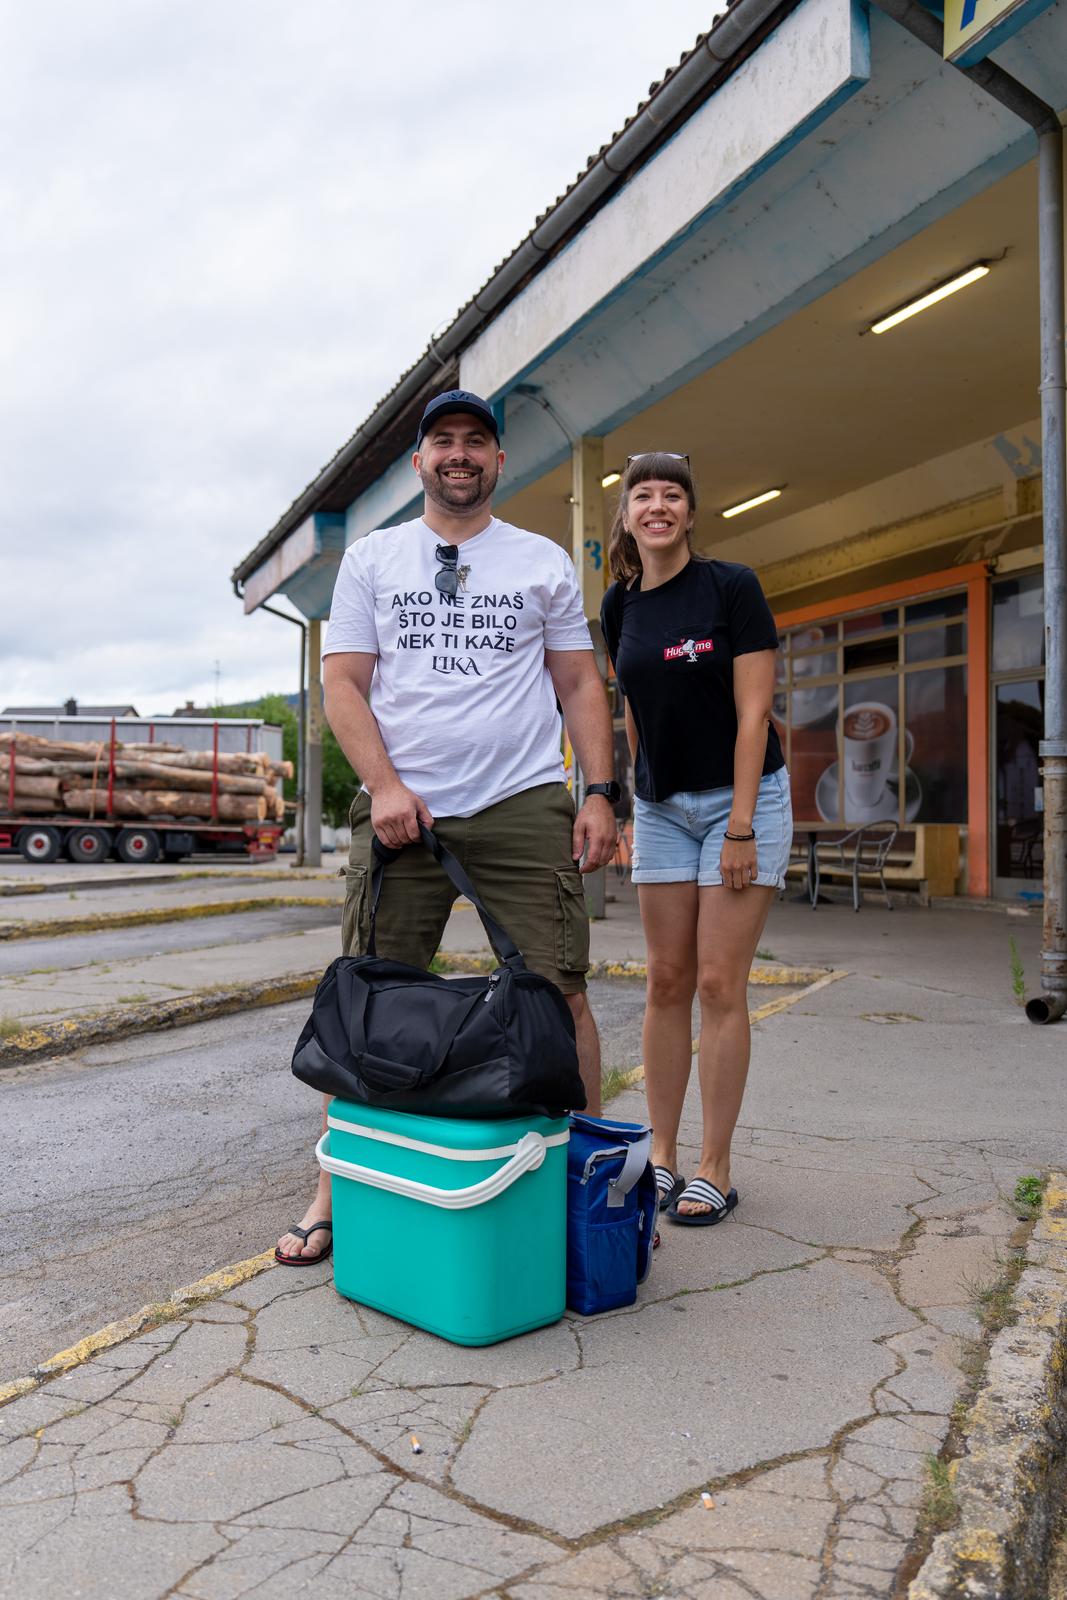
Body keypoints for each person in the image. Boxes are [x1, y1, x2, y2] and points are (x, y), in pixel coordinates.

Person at [276, 389, 618, 1265]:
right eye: (442, 442)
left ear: (500, 462)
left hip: (521, 801)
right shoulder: (374, 558)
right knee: (367, 1001)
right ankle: (334, 1192)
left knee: (559, 989)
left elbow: (578, 683)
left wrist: (600, 792)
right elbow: (343, 683)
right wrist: (384, 786)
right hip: (404, 810)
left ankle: (589, 1186)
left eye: (476, 441)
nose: (459, 454)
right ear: (420, 462)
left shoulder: (539, 561)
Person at [600, 453, 791, 1228]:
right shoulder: (618, 604)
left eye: (670, 493)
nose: (656, 505)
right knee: (664, 982)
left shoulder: (731, 587)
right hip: (660, 809)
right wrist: (628, 801)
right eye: (642, 494)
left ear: (688, 511)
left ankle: (714, 1167)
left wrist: (740, 825)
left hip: (738, 803)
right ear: (626, 516)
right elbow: (632, 708)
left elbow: (754, 714)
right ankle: (665, 1156)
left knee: (718, 985)